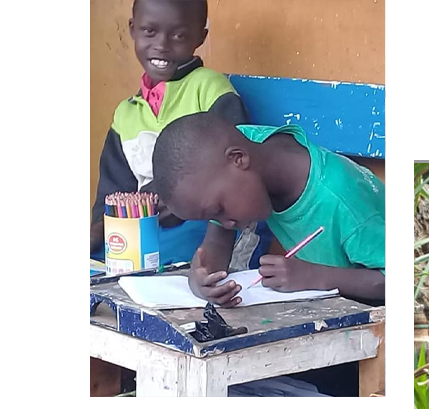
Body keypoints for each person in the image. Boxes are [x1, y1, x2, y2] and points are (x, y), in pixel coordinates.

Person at [89, 0, 267, 269]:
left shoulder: (209, 89)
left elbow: (236, 175)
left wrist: (170, 201)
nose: (162, 44)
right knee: (104, 262)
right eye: (150, 31)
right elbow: (113, 191)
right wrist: (98, 230)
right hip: (144, 230)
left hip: (204, 224)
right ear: (133, 29)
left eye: (179, 35)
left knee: (167, 266)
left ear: (200, 37)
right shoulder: (126, 114)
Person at [151, 111, 385, 305]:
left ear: (239, 159)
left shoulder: (341, 200)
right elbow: (216, 243)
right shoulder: (238, 150)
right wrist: (202, 277)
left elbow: (407, 281)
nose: (226, 223)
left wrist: (315, 276)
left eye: (219, 209)